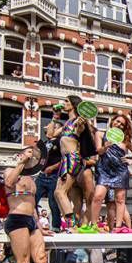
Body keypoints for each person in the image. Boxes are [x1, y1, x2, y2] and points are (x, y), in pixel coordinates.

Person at [3, 144, 50, 263]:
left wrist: (40, 227)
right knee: (23, 262)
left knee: (41, 259)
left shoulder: (31, 178)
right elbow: (9, 183)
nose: (33, 154)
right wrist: (22, 163)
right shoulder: (10, 170)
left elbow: (33, 205)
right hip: (17, 219)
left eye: (34, 152)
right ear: (21, 155)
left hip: (31, 220)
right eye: (29, 151)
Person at [51, 95, 96, 229]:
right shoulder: (66, 123)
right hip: (65, 159)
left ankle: (71, 223)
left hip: (72, 159)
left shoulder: (78, 121)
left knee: (59, 192)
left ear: (73, 105)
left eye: (66, 101)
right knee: (68, 195)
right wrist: (55, 117)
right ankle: (75, 224)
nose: (63, 103)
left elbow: (81, 129)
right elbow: (51, 134)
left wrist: (82, 123)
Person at [89, 114, 132, 230]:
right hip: (104, 170)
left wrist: (130, 161)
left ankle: (118, 227)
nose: (119, 125)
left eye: (122, 124)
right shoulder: (100, 134)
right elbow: (99, 152)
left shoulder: (125, 140)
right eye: (117, 121)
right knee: (98, 196)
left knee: (120, 200)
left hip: (120, 171)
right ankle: (93, 225)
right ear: (112, 121)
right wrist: (105, 147)